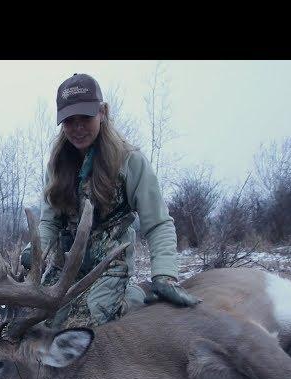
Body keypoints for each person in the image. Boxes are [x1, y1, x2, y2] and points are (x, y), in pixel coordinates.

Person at [21, 73, 199, 328]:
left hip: (110, 260)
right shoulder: (58, 163)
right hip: (68, 262)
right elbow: (49, 222)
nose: (78, 127)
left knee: (91, 322)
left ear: (103, 112)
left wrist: (164, 275)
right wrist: (35, 253)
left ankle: (139, 294)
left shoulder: (129, 160)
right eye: (70, 120)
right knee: (44, 323)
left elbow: (158, 223)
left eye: (86, 117)